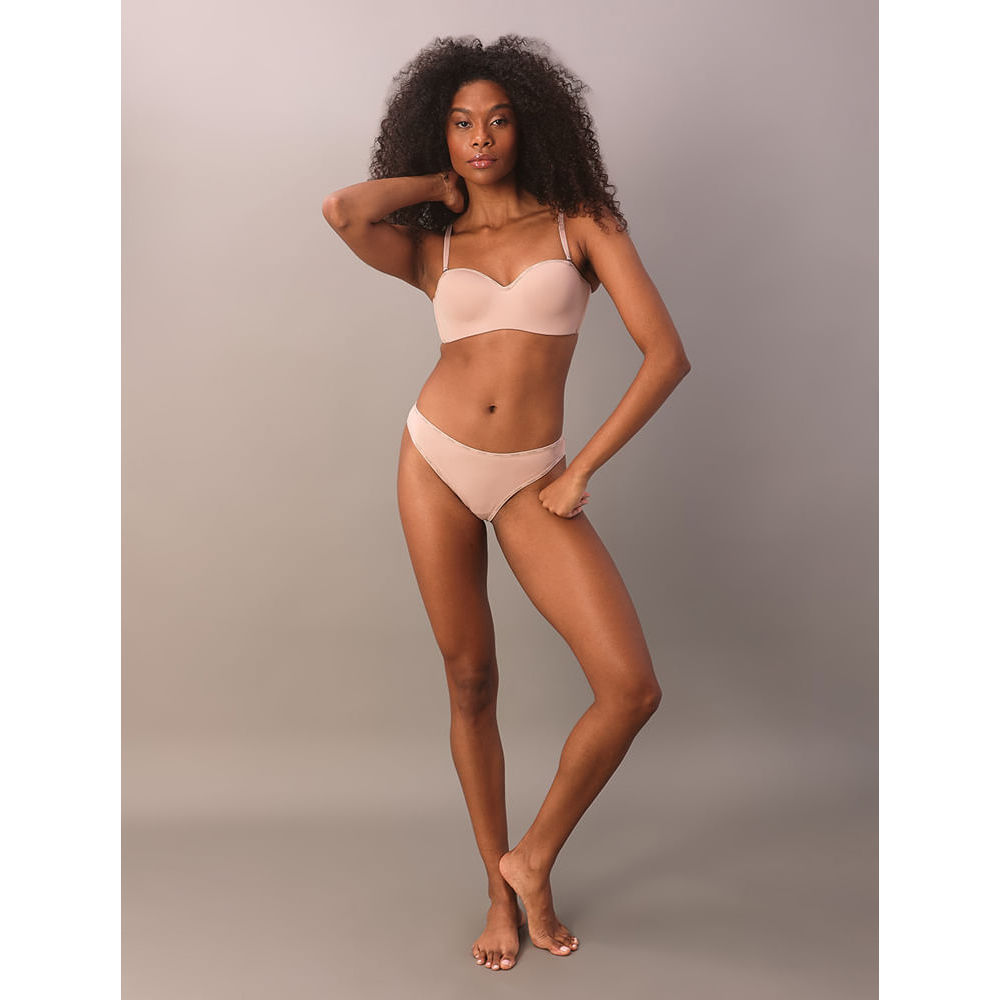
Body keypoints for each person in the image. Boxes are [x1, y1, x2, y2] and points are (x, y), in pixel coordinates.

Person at [322, 34, 691, 973]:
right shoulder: (433, 245)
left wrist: (581, 469)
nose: (481, 137)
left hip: (534, 475)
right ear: (439, 134)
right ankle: (500, 892)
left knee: (630, 688)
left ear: (532, 126)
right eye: (460, 123)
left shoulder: (580, 224)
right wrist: (434, 188)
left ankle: (531, 858)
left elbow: (666, 356)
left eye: (497, 120)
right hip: (434, 460)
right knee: (470, 679)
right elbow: (342, 210)